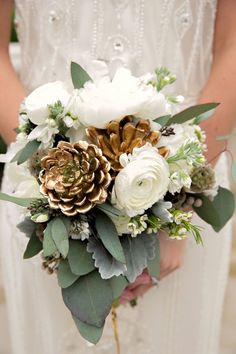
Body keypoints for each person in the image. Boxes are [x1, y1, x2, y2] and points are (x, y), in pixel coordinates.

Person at [0, 1, 235, 353]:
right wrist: (56, 184)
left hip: (188, 194)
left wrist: (178, 206)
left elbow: (232, 46)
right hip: (42, 201)